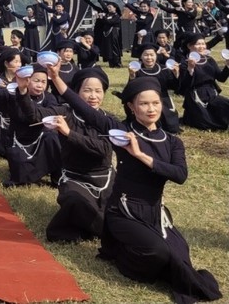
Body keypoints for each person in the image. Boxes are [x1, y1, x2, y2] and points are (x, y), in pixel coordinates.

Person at [48, 66, 222, 304]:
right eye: (143, 104)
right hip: (123, 211)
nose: (151, 109)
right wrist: (56, 78)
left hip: (155, 213)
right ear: (131, 107)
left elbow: (180, 175)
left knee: (180, 256)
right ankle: (120, 255)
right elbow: (82, 108)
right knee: (158, 253)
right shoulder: (122, 133)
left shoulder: (172, 142)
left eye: (155, 103)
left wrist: (141, 156)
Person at [17, 67, 114, 242]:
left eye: (98, 91)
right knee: (75, 200)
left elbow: (104, 150)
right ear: (76, 93)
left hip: (105, 179)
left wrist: (69, 134)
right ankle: (107, 231)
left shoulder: (108, 120)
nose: (93, 96)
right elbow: (34, 115)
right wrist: (23, 91)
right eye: (87, 90)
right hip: (75, 179)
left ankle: (100, 225)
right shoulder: (65, 112)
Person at [177, 32, 229, 130]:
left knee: (225, 106)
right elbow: (184, 85)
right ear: (189, 46)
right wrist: (190, 69)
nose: (202, 46)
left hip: (211, 93)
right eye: (198, 44)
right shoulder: (185, 63)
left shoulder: (210, 60)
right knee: (209, 125)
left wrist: (227, 66)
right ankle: (191, 118)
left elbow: (221, 78)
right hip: (195, 96)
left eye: (203, 43)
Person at [129, 44, 180, 134]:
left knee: (170, 125)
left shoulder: (164, 69)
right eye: (146, 55)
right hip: (144, 100)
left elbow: (174, 87)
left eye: (152, 55)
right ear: (141, 56)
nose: (149, 58)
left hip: (163, 99)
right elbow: (131, 89)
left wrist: (176, 74)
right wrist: (132, 76)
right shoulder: (137, 71)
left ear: (156, 56)